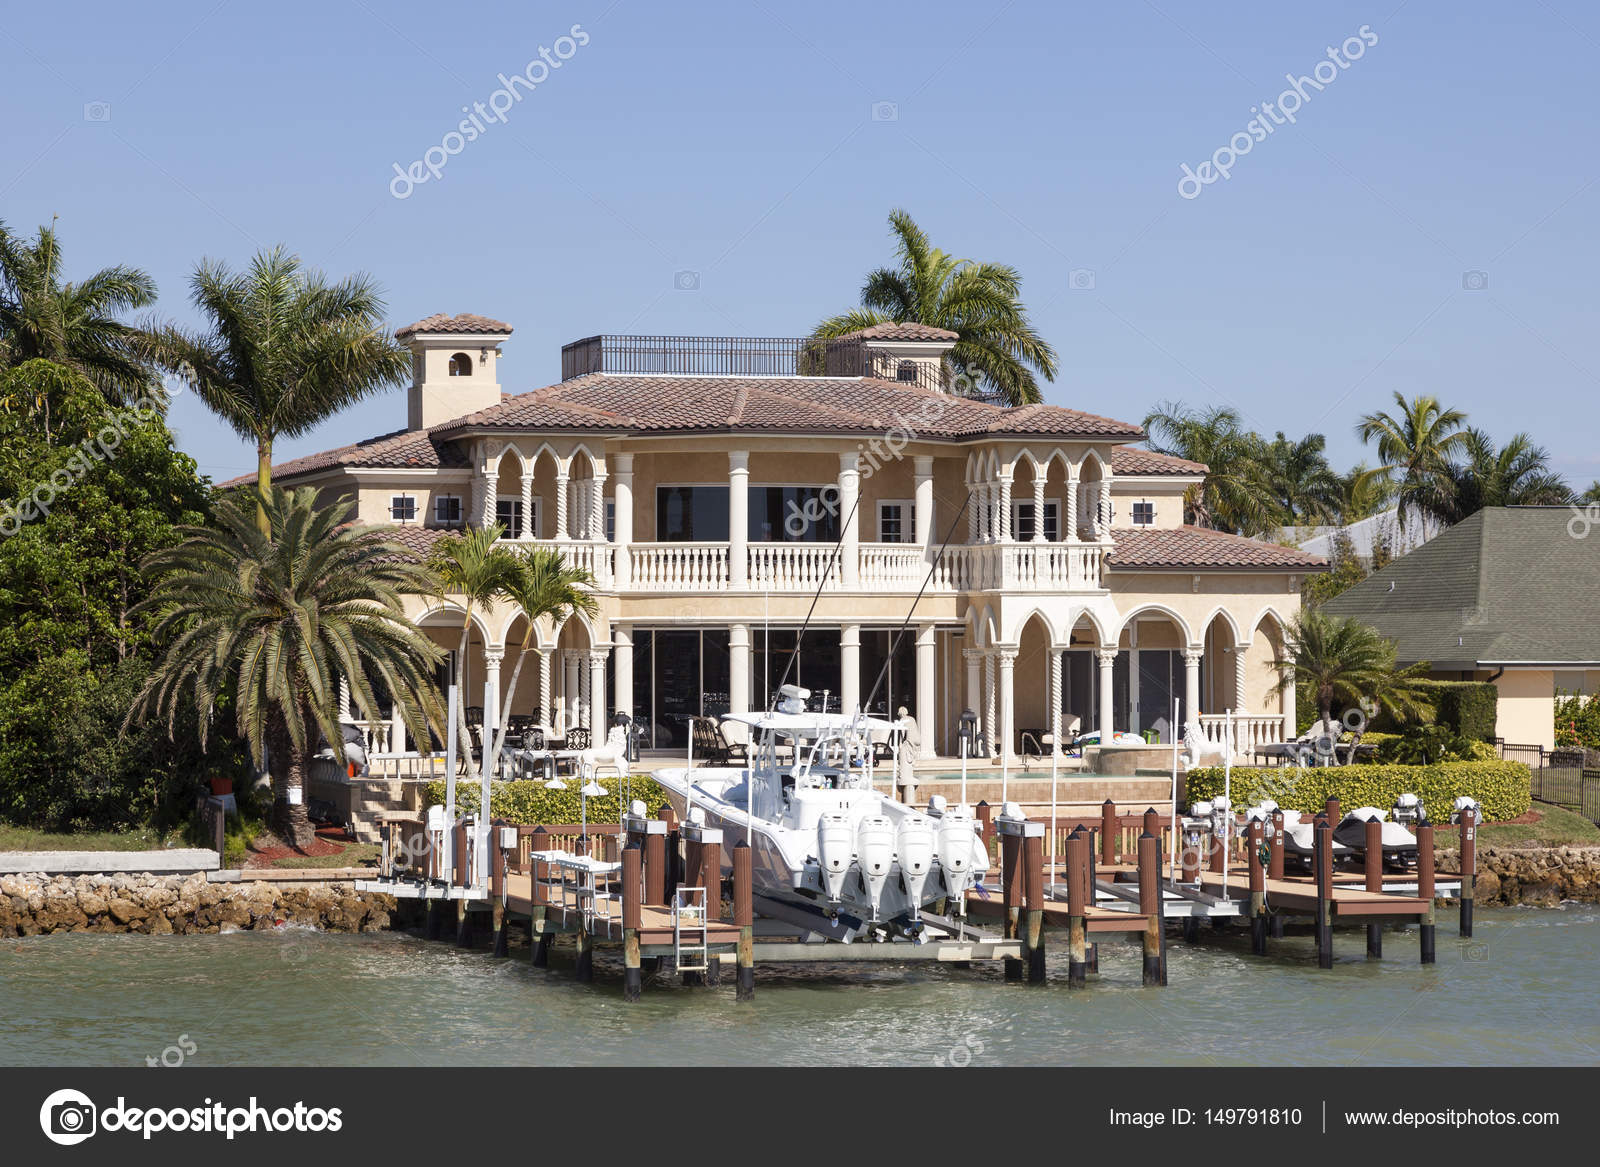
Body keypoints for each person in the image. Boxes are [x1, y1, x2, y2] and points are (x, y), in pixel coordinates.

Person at [895, 706, 920, 804]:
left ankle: (904, 774)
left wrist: (900, 744)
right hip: (916, 741)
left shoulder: (903, 720)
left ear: (900, 713)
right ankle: (910, 767)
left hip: (909, 741)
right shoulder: (912, 719)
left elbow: (902, 733)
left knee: (904, 754)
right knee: (910, 756)